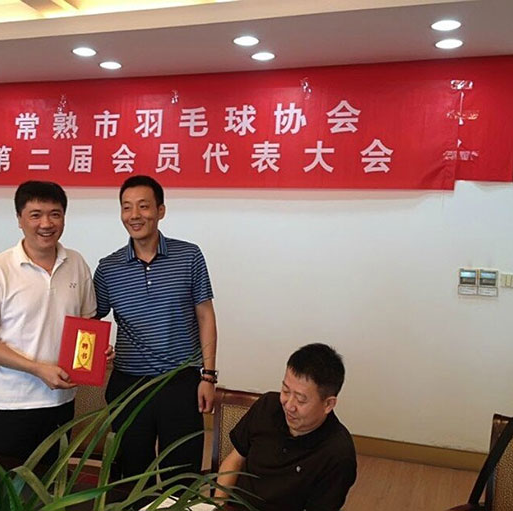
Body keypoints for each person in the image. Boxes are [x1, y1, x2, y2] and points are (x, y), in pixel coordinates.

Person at [0, 180, 108, 464]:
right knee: (9, 484)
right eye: (35, 215)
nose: (46, 223)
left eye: (55, 214)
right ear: (19, 219)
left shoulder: (76, 263)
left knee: (54, 480)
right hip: (11, 403)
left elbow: (87, 322)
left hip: (61, 401)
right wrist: (37, 369)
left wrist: (97, 352)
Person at [94, 175, 218, 480]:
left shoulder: (189, 256)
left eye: (143, 206)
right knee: (131, 474)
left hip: (180, 381)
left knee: (181, 473)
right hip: (129, 384)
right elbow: (89, 319)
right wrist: (97, 352)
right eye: (126, 207)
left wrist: (208, 376)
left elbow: (205, 316)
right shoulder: (108, 268)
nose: (134, 215)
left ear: (160, 210)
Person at [216, 343, 357, 511]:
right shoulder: (267, 406)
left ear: (328, 404)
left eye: (300, 399)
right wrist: (217, 506)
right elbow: (235, 459)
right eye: (285, 391)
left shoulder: (338, 454)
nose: (289, 405)